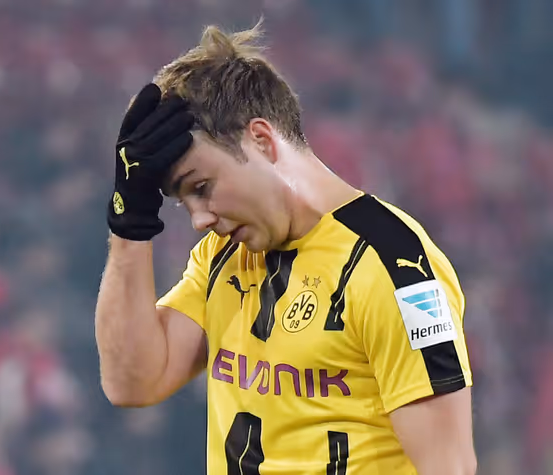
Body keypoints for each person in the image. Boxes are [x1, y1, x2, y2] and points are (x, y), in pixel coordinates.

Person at [95, 21, 476, 475]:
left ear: (261, 139)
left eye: (202, 187)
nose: (200, 220)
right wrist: (130, 225)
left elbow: (448, 466)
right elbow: (132, 382)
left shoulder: (396, 267)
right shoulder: (223, 257)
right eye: (184, 202)